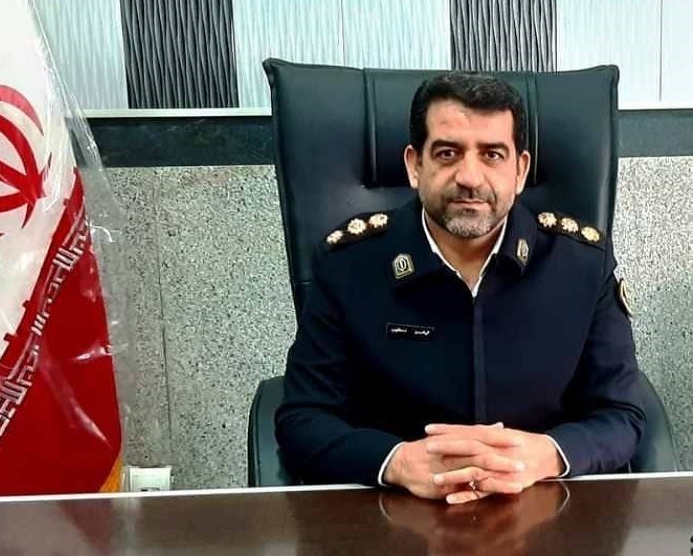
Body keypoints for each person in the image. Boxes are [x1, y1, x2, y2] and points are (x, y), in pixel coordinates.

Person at [275, 72, 645, 504]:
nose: (470, 177)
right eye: (448, 153)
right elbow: (303, 418)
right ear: (415, 165)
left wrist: (546, 455)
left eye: (492, 155)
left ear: (520, 170)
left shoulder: (581, 265)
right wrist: (395, 462)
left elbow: (622, 414)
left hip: (543, 505)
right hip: (393, 511)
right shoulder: (348, 265)